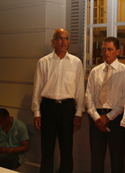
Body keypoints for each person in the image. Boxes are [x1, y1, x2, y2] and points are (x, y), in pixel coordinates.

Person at [32, 28, 85, 173]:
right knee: (47, 148)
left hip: (68, 108)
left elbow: (80, 88)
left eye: (66, 38)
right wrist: (37, 112)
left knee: (67, 147)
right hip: (48, 107)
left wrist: (79, 112)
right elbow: (37, 88)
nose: (63, 42)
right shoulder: (43, 62)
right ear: (53, 42)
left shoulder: (76, 62)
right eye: (60, 38)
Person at [85, 36, 125, 173]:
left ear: (117, 51)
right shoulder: (95, 71)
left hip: (116, 119)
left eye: (110, 49)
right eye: (104, 49)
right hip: (96, 119)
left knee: (117, 160)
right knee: (96, 159)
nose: (106, 52)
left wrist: (109, 117)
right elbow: (88, 96)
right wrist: (96, 117)